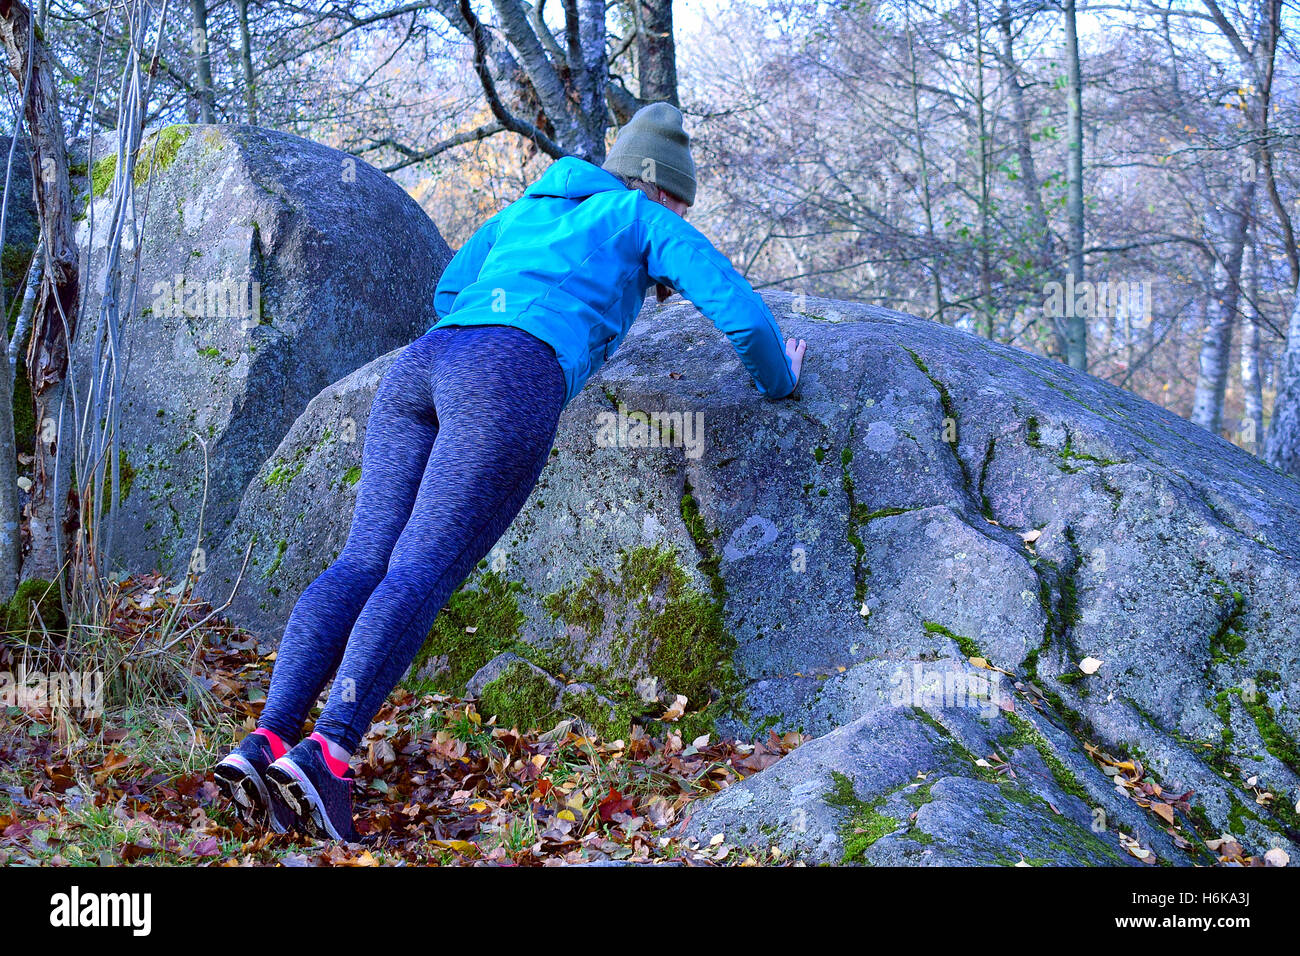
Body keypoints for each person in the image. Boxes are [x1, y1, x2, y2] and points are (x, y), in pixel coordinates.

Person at [213, 103, 808, 840]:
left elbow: (447, 291)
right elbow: (743, 316)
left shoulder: (523, 211)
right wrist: (782, 378)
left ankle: (265, 741)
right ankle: (328, 754)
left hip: (423, 367)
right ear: (663, 191)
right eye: (682, 202)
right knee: (420, 570)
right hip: (507, 380)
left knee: (364, 559)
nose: (680, 212)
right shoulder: (640, 218)